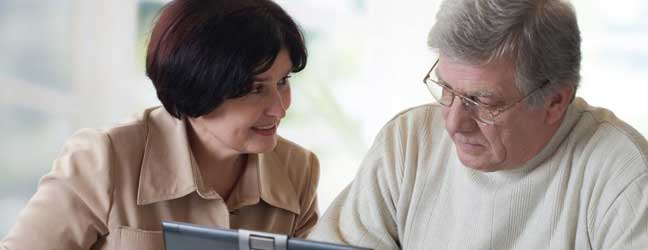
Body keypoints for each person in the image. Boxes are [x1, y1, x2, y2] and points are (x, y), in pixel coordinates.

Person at [308, 0, 648, 249]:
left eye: (482, 102)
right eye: (445, 89)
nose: (454, 123)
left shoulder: (624, 175)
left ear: (555, 101)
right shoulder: (408, 143)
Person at [1, 0, 319, 249]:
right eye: (254, 89)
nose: (280, 108)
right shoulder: (102, 160)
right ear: (198, 86)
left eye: (283, 81)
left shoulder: (297, 170)